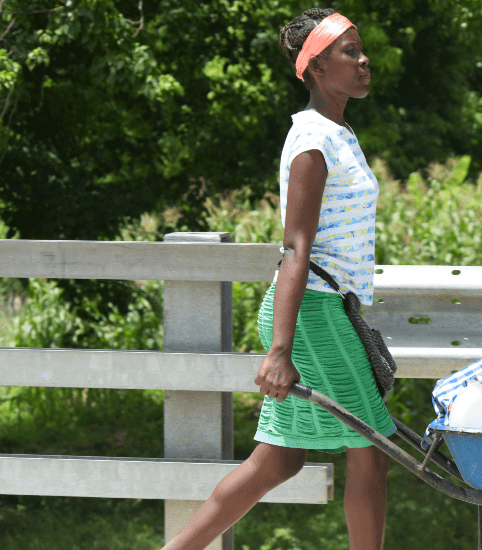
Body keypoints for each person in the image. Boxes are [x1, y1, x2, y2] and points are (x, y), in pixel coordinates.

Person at [162, 8, 395, 550]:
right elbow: (296, 246)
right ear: (313, 68)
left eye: (362, 50)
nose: (363, 62)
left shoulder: (339, 132)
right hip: (313, 314)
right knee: (372, 452)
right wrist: (279, 349)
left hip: (329, 309)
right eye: (348, 52)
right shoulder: (312, 140)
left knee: (280, 460)